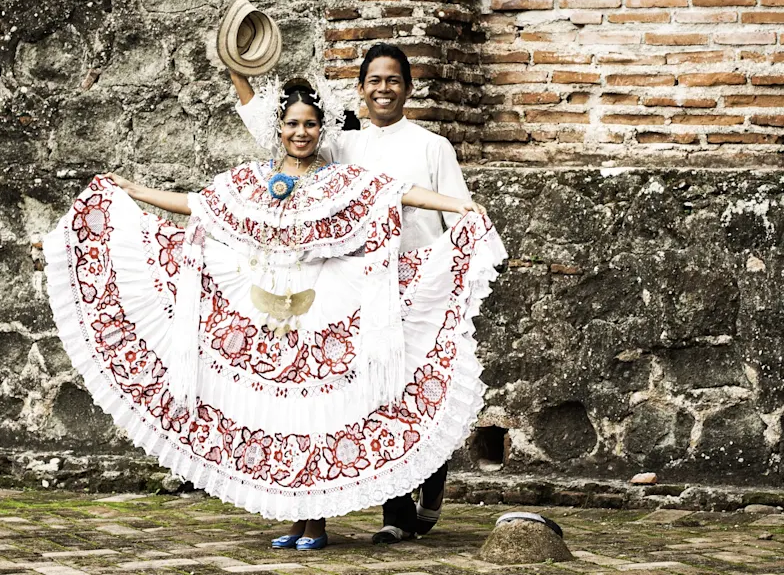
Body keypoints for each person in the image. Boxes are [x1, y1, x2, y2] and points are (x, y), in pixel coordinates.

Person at [43, 80, 505, 552]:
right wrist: (133, 189)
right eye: (292, 124)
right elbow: (195, 204)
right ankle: (293, 517)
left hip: (324, 306)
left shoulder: (341, 180)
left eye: (309, 124)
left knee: (316, 411)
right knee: (284, 416)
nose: (300, 133)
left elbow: (401, 194)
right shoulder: (250, 181)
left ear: (322, 128)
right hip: (263, 306)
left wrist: (460, 204)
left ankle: (317, 522)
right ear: (278, 128)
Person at [231, 43, 469, 545]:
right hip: (362, 285)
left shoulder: (433, 146)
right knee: (373, 392)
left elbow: (457, 212)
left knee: (418, 385)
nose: (384, 88)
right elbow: (281, 132)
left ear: (408, 87)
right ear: (360, 88)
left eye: (393, 80)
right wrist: (238, 70)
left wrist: (460, 274)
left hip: (421, 282)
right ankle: (396, 512)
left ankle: (431, 475)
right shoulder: (345, 144)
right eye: (374, 80)